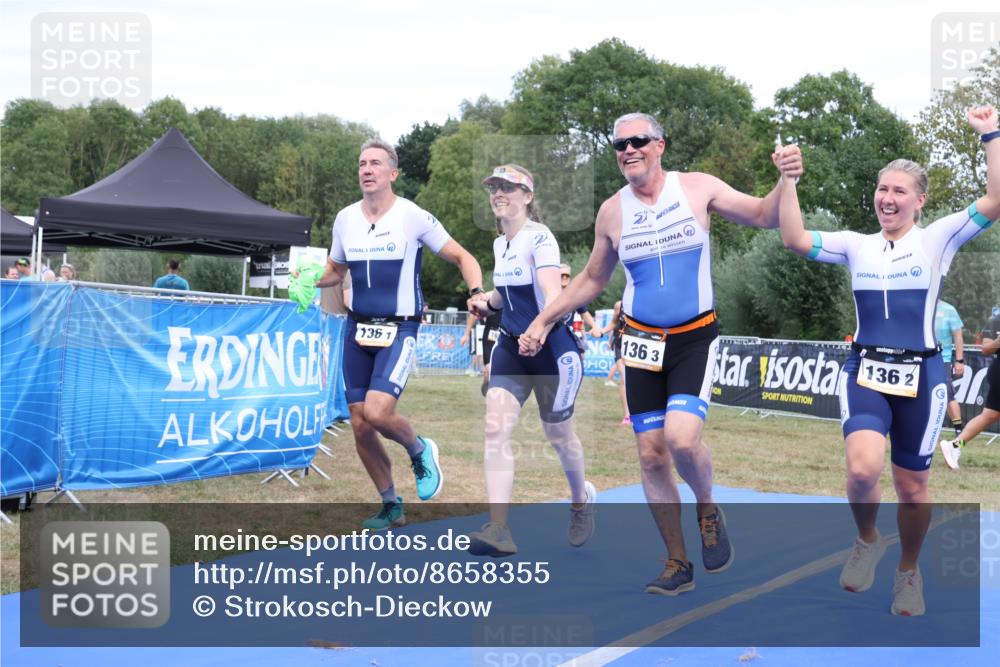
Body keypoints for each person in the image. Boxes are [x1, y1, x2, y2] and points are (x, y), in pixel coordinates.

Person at [522, 112, 803, 594]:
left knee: (681, 440)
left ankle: (707, 506)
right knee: (651, 456)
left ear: (660, 146)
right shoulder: (612, 212)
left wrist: (785, 179)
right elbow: (592, 278)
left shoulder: (697, 187)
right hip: (642, 343)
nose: (628, 150)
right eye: (620, 145)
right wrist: (543, 319)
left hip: (694, 338)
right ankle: (677, 562)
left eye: (638, 140)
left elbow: (763, 214)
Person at [774, 105, 999, 616]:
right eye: (882, 189)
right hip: (866, 371)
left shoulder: (938, 238)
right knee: (862, 470)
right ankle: (868, 539)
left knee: (912, 487)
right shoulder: (856, 246)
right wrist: (788, 181)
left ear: (920, 201)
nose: (888, 198)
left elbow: (995, 199)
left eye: (899, 191)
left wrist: (991, 134)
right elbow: (794, 239)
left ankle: (908, 572)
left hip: (923, 375)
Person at [315, 138, 483, 530]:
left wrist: (476, 291)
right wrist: (308, 280)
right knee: (359, 423)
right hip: (357, 328)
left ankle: (420, 448)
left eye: (375, 163)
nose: (366, 169)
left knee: (377, 412)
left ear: (393, 173)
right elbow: (335, 271)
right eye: (362, 163)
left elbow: (463, 256)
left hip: (399, 327)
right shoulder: (345, 219)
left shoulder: (412, 216)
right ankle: (391, 504)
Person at [465, 163, 595, 557]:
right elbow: (506, 291)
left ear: (527, 196)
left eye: (508, 187)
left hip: (551, 349)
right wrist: (488, 303)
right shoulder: (500, 243)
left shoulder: (540, 238)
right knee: (495, 429)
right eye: (494, 187)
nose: (498, 194)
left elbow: (553, 297)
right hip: (511, 347)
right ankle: (499, 527)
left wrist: (538, 329)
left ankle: (581, 500)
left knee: (559, 436)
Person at [940, 305, 1000, 469]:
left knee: (989, 416)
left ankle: (955, 445)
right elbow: (985, 349)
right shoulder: (996, 320)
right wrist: (998, 341)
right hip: (998, 372)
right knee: (989, 415)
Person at [934, 300, 967, 437]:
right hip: (921, 359)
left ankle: (959, 431)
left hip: (943, 359)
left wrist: (959, 361)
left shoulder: (949, 309)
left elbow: (958, 336)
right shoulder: (920, 305)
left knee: (947, 394)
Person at [598, 300, 630, 425]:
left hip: (639, 345)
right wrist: (601, 332)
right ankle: (627, 416)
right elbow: (614, 322)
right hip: (620, 344)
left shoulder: (645, 302)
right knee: (624, 378)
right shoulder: (619, 305)